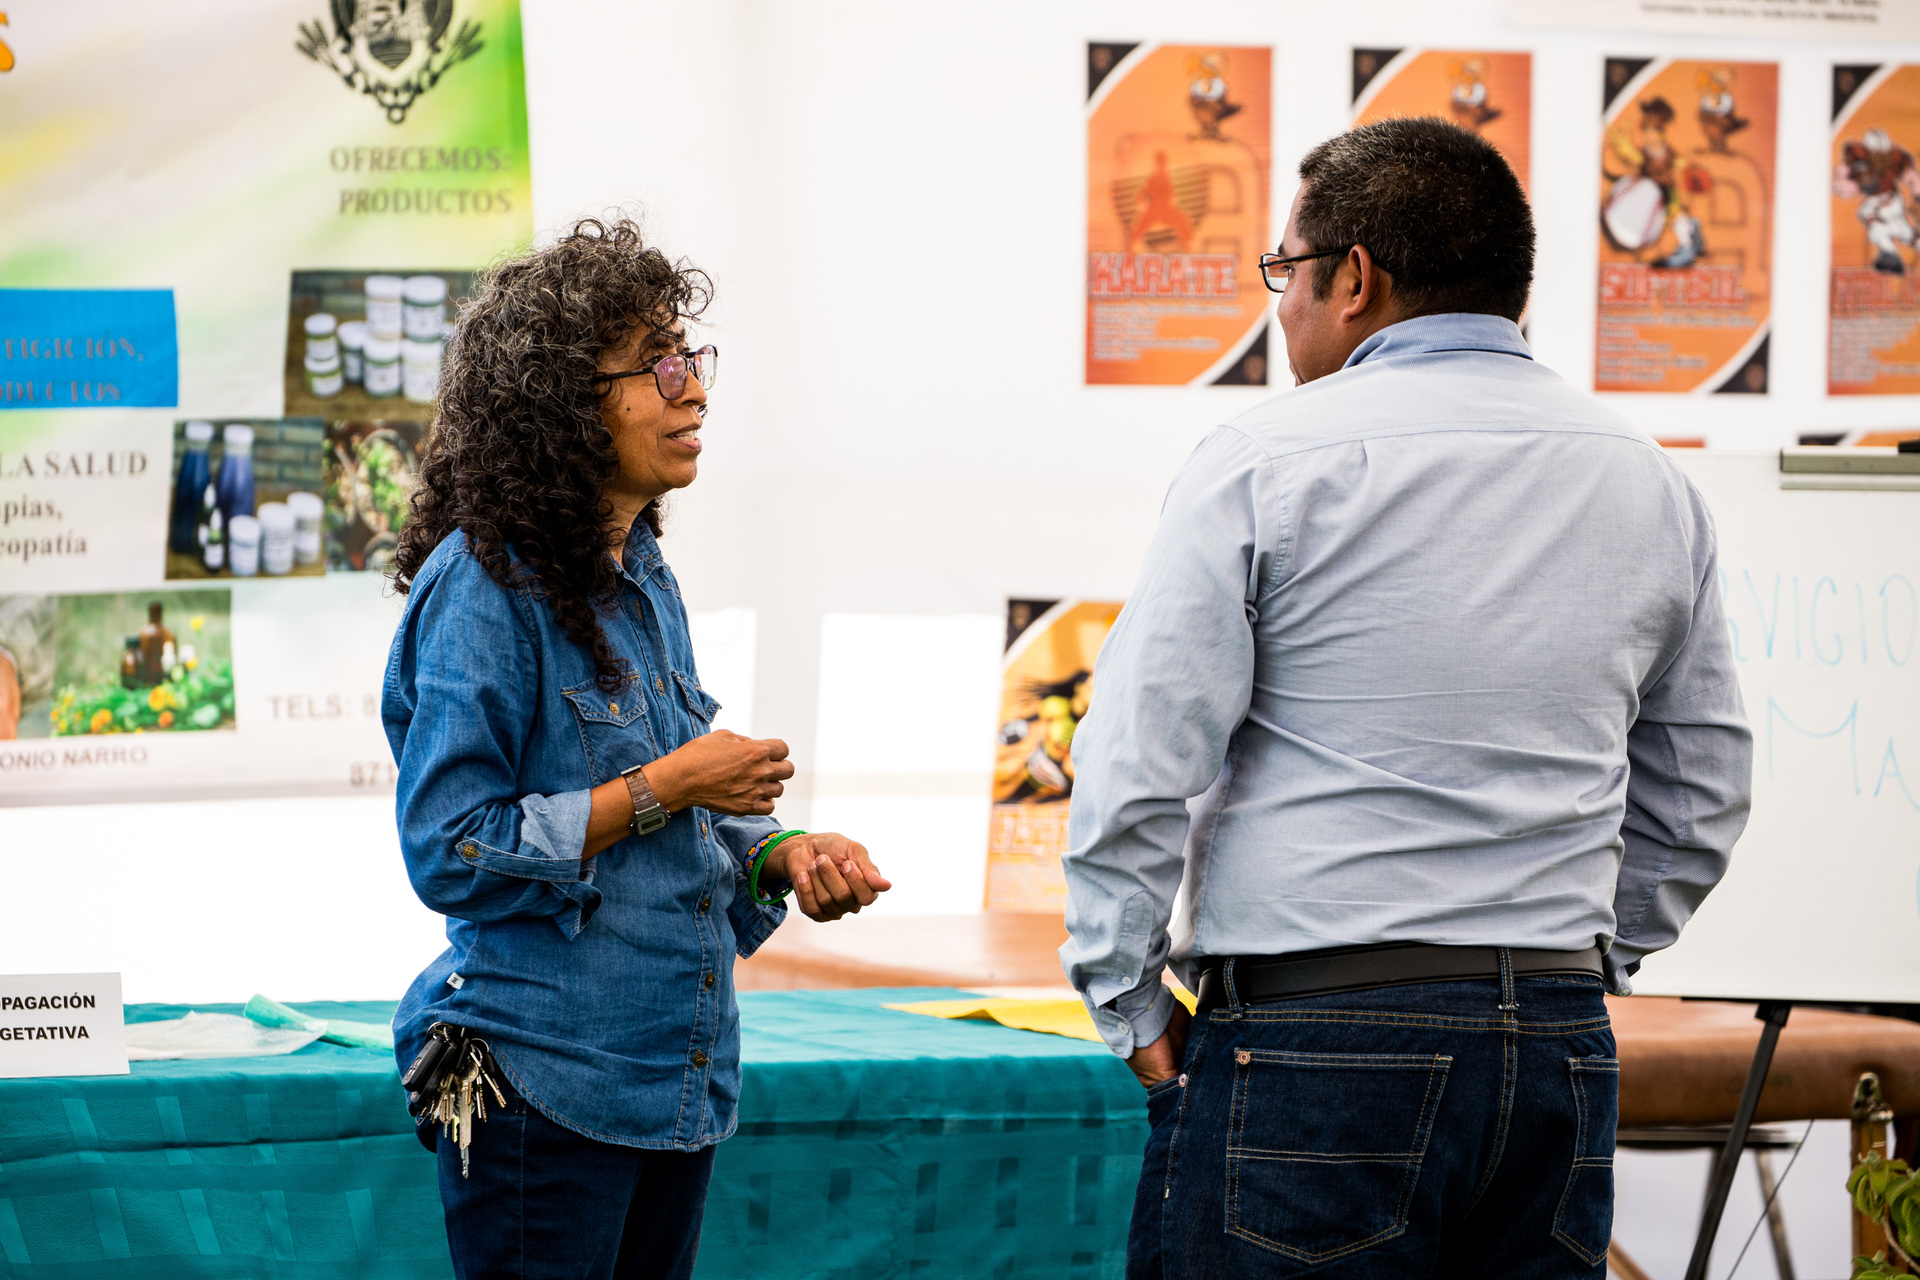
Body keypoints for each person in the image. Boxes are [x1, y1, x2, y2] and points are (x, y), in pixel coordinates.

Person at [1060, 118, 1751, 1278]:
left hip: (1316, 1039)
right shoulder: (1646, 476)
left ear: (1357, 278)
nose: (1279, 308)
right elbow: (1704, 784)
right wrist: (1583, 959)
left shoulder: (1265, 461)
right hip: (1556, 1047)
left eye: (1285, 271)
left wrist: (1131, 1007)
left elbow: (1139, 754)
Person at [384, 217, 891, 1280]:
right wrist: (667, 784)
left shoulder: (644, 568)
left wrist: (780, 852)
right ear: (562, 404)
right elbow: (451, 848)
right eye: (657, 366)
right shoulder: (484, 586)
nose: (692, 388)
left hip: (675, 1085)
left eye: (690, 358)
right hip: (548, 1091)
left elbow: (686, 804)